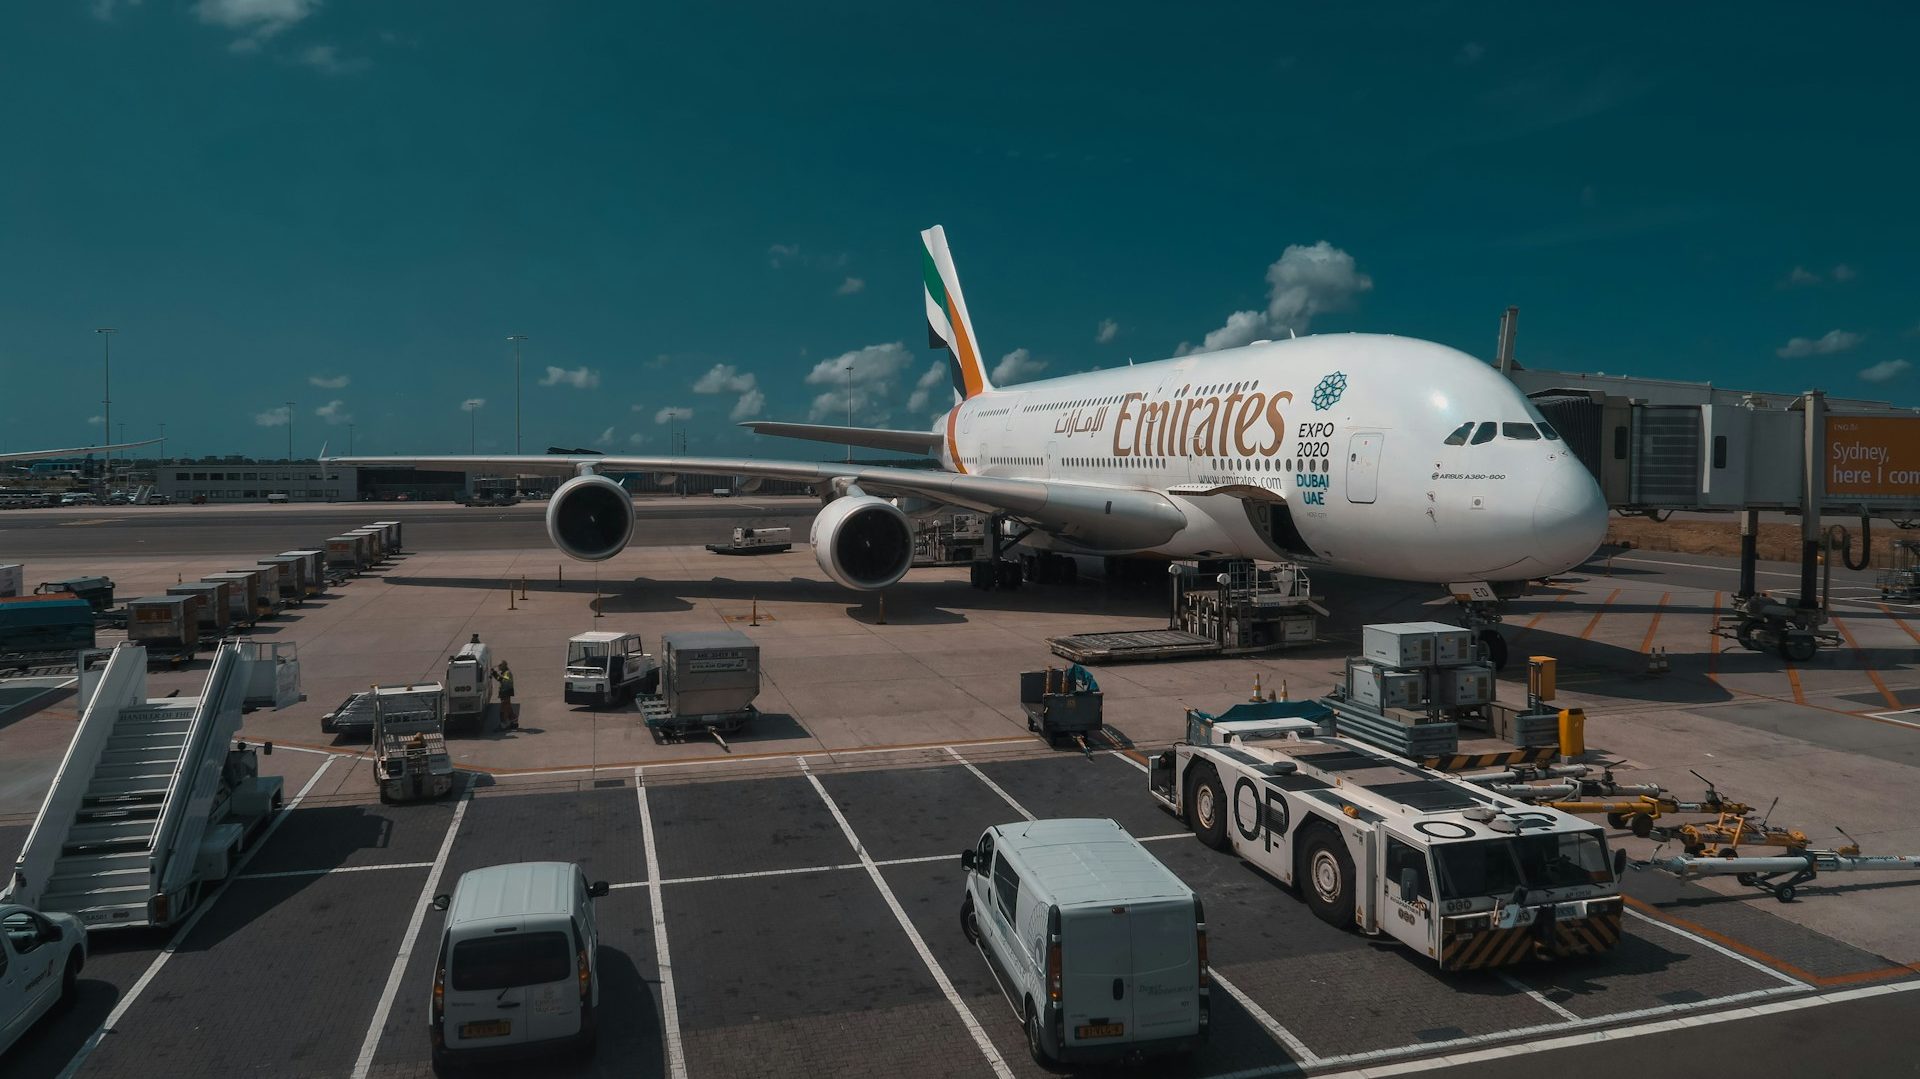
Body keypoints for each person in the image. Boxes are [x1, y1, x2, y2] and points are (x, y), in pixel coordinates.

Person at [492, 661, 517, 730]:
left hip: (506, 692)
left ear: (503, 666)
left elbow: (503, 680)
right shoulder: (504, 672)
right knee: (508, 707)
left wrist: (494, 673)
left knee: (503, 708)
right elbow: (499, 679)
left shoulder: (507, 673)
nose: (499, 667)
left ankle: (503, 724)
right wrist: (494, 673)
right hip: (504, 692)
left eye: (500, 666)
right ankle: (513, 720)